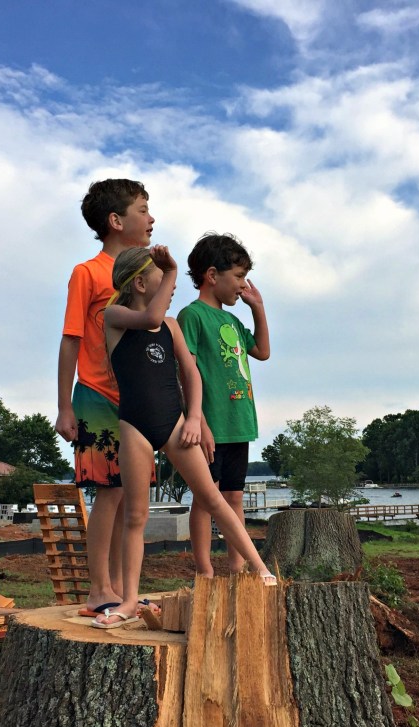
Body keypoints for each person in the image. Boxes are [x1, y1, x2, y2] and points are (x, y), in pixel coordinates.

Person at [94, 245, 276, 629]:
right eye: (160, 277)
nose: (171, 284)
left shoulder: (173, 325)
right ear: (140, 283)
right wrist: (173, 270)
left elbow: (191, 374)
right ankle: (129, 600)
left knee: (214, 499)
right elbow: (149, 316)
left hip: (175, 424)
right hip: (135, 428)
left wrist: (194, 417)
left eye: (170, 277)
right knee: (136, 515)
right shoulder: (115, 317)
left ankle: (261, 569)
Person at [55, 179, 154, 617]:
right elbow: (71, 339)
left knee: (131, 497)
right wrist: (64, 406)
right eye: (142, 210)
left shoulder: (144, 274)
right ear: (115, 221)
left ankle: (121, 590)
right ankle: (99, 590)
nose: (151, 219)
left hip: (136, 400)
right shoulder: (88, 272)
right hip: (96, 395)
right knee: (109, 494)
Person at [176, 233, 270, 576]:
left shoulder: (232, 321)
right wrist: (198, 421)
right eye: (239, 276)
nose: (243, 285)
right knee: (205, 498)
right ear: (212, 275)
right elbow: (184, 372)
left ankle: (237, 567)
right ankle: (204, 571)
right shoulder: (192, 316)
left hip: (238, 423)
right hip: (209, 425)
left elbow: (262, 351)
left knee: (234, 498)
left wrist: (258, 308)